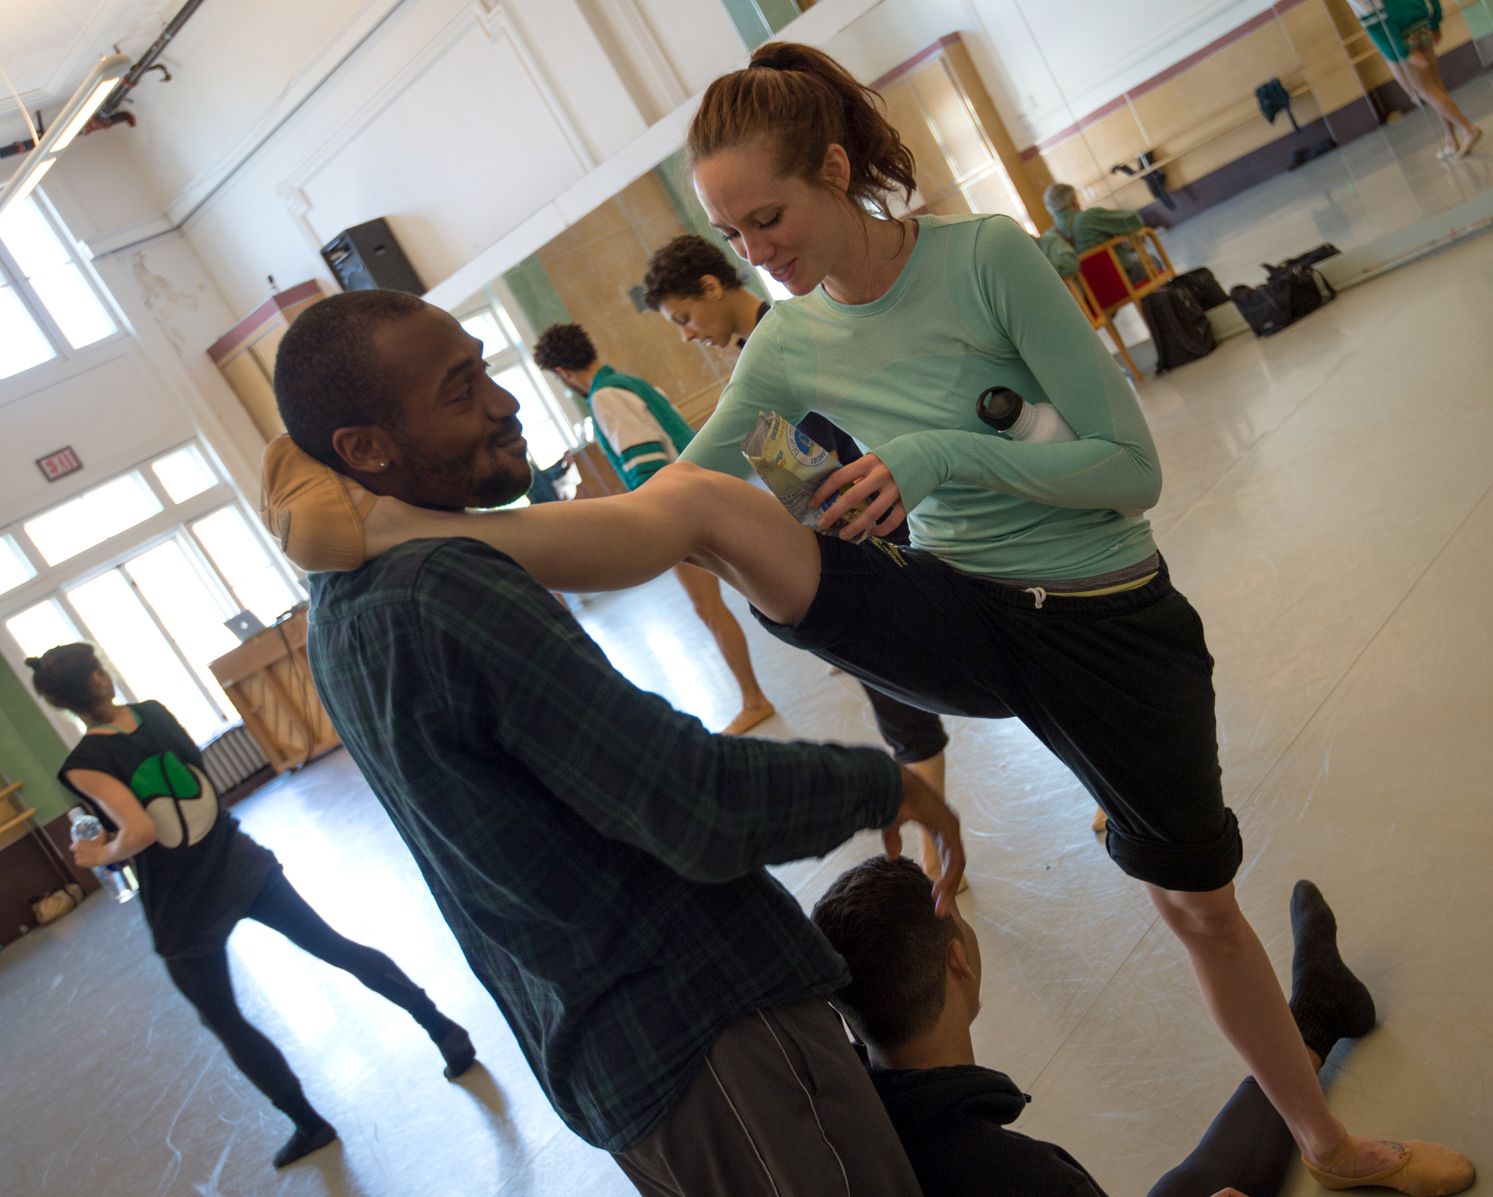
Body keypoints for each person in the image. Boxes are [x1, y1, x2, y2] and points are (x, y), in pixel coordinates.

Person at [257, 40, 1473, 1189]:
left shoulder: (988, 259)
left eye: (767, 218)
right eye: (731, 235)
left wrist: (938, 457)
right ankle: (1328, 1142)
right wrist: (400, 527)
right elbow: (660, 514)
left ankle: (1323, 1141)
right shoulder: (783, 343)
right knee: (710, 502)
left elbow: (1127, 472)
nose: (756, 255)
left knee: (1195, 905)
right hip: (957, 615)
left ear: (833, 171)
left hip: (1107, 622)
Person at [269, 287, 965, 1196]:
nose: (503, 401)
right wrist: (882, 785)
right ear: (363, 449)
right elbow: (690, 800)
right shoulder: (446, 586)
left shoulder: (341, 606)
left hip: (615, 1056)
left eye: (485, 368)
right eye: (458, 389)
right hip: (705, 1026)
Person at [28, 643, 476, 1170]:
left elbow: (141, 829)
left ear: (64, 705)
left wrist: (98, 851)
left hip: (184, 901)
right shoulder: (153, 711)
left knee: (223, 1017)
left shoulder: (84, 764)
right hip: (239, 861)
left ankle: (309, 1124)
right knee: (334, 946)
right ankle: (444, 1030)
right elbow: (188, 783)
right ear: (101, 678)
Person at [810, 858, 1460, 1197]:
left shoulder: (836, 1114)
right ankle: (1315, 1010)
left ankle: (1316, 1011)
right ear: (958, 958)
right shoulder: (1014, 1176)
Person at [642, 232, 958, 879]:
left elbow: (839, 470)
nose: (684, 334)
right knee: (905, 705)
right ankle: (935, 853)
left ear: (711, 285)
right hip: (868, 546)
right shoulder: (760, 360)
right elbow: (811, 487)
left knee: (962, 686)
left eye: (683, 317)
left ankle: (937, 857)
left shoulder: (785, 343)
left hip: (901, 537)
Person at [532, 321, 776, 736]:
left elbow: (646, 468)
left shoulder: (605, 398)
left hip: (681, 512)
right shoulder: (629, 382)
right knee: (760, 584)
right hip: (705, 497)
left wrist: (649, 525)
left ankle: (754, 700)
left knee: (710, 608)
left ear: (561, 373)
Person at [1349, 0, 1481, 159]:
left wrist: (1402, 52)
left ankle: (1468, 129)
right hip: (1420, 23)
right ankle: (1451, 140)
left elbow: (1373, 20)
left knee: (1426, 90)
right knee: (1436, 87)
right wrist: (1434, 20)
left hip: (1399, 35)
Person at [1037, 182, 1154, 283]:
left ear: (1050, 209)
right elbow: (1134, 220)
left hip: (1088, 297)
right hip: (1121, 279)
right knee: (1152, 260)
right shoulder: (1089, 217)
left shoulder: (1048, 238)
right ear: (1074, 200)